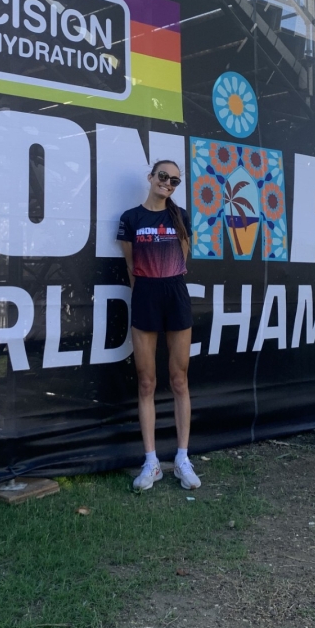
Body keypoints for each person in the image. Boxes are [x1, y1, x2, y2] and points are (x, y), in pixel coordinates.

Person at [117, 159, 201, 492]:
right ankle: (151, 462)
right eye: (163, 176)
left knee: (179, 379)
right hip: (145, 297)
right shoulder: (131, 218)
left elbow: (183, 260)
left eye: (174, 180)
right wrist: (145, 295)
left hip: (176, 296)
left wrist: (165, 283)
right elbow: (130, 265)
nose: (167, 183)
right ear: (150, 177)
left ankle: (182, 459)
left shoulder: (181, 217)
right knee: (146, 382)